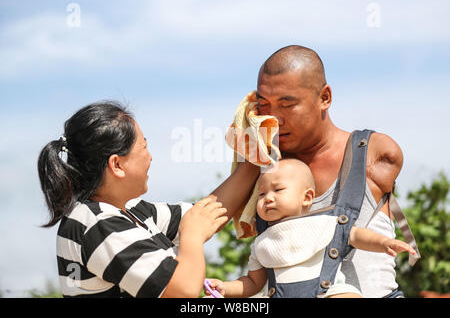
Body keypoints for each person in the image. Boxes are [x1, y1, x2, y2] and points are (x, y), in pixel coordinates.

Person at [37, 101, 260, 298]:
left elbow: (206, 214)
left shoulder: (127, 210)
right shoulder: (98, 224)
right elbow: (183, 291)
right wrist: (193, 235)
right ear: (117, 165)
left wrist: (255, 156)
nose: (150, 156)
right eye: (144, 146)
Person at [252, 45, 407, 297]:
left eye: (286, 104)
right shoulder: (266, 168)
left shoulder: (373, 154)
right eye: (264, 106)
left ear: (325, 98)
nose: (275, 119)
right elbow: (212, 213)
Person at [204, 159, 415, 298]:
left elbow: (355, 235)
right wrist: (226, 287)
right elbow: (252, 282)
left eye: (278, 190)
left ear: (307, 198)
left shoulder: (325, 222)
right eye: (261, 194)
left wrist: (384, 242)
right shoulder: (263, 242)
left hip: (330, 291)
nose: (268, 198)